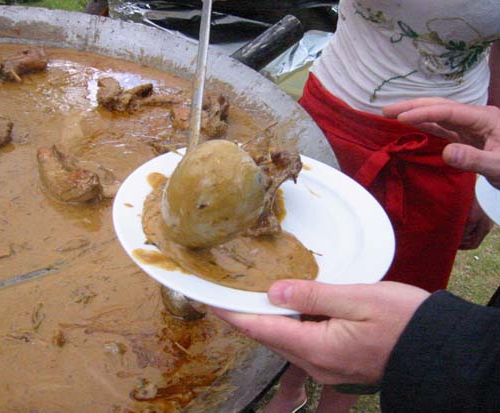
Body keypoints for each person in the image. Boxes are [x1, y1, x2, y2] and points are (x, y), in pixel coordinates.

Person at [264, 1, 500, 411]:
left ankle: (337, 405)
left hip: (449, 145)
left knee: (395, 290)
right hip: (334, 116)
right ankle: (290, 386)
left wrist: (489, 179)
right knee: (302, 263)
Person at [213, 99, 500, 413]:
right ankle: (290, 391)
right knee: (307, 297)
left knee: (376, 310)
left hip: (436, 159)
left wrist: (419, 344)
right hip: (333, 118)